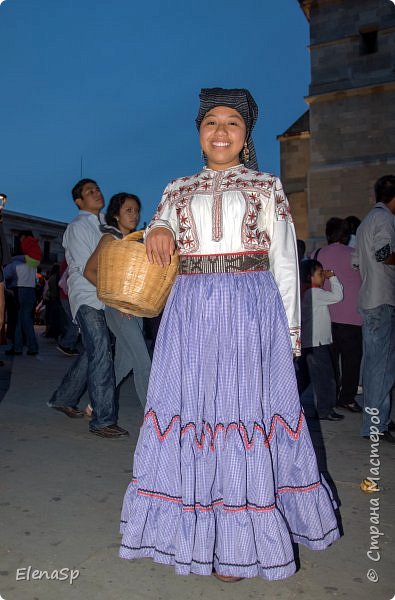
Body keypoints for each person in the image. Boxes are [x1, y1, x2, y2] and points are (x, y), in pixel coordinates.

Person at [119, 88, 340, 582]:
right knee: (196, 414)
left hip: (249, 309)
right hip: (191, 313)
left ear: (245, 136)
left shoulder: (267, 186)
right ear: (199, 133)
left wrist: (289, 337)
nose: (221, 131)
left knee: (241, 416)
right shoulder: (176, 188)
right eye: (211, 123)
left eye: (232, 124)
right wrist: (157, 227)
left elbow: (285, 262)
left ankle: (238, 541)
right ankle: (191, 533)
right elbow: (160, 230)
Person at [47, 178, 128, 439]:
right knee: (102, 352)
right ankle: (103, 420)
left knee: (94, 352)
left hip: (106, 296)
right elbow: (86, 270)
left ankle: (63, 398)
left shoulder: (107, 224)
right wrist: (115, 295)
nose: (96, 193)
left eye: (98, 189)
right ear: (78, 201)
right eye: (89, 192)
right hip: (88, 297)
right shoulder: (78, 227)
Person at [84, 192, 151, 408]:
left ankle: (96, 403)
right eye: (128, 210)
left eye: (136, 210)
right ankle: (153, 420)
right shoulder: (109, 239)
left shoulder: (135, 243)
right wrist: (115, 300)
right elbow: (89, 271)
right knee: (143, 361)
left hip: (135, 309)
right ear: (115, 215)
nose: (134, 215)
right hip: (117, 310)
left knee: (124, 363)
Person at [353, 175, 395, 443]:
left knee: (373, 365)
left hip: (370, 298)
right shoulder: (385, 219)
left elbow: (358, 262)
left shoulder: (366, 222)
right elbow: (383, 254)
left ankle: (373, 423)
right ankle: (376, 426)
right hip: (382, 299)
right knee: (382, 366)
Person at [313, 218, 363, 413]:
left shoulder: (316, 254)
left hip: (327, 316)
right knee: (352, 361)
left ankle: (331, 395)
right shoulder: (355, 254)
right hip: (352, 315)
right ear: (346, 235)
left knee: (331, 362)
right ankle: (348, 398)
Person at [300, 259, 344, 421]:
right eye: (320, 274)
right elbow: (338, 296)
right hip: (317, 343)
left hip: (313, 342)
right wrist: (333, 277)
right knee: (325, 378)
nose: (323, 277)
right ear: (309, 277)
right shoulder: (315, 293)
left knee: (309, 377)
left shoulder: (309, 292)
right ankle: (325, 410)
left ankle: (321, 408)